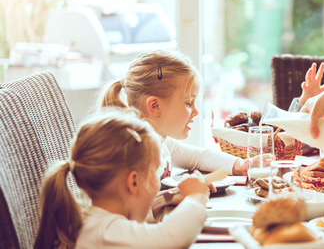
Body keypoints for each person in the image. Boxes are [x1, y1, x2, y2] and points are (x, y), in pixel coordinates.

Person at [34, 108, 210, 248]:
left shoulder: (95, 222)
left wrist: (166, 198)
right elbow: (173, 238)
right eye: (155, 171)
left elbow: (135, 230)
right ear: (133, 181)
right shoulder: (106, 233)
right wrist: (196, 198)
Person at [99, 50, 247, 179]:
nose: (196, 112)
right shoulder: (134, 155)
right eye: (189, 103)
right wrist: (184, 195)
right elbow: (143, 210)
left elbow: (198, 157)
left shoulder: (159, 141)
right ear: (155, 106)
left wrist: (241, 165)